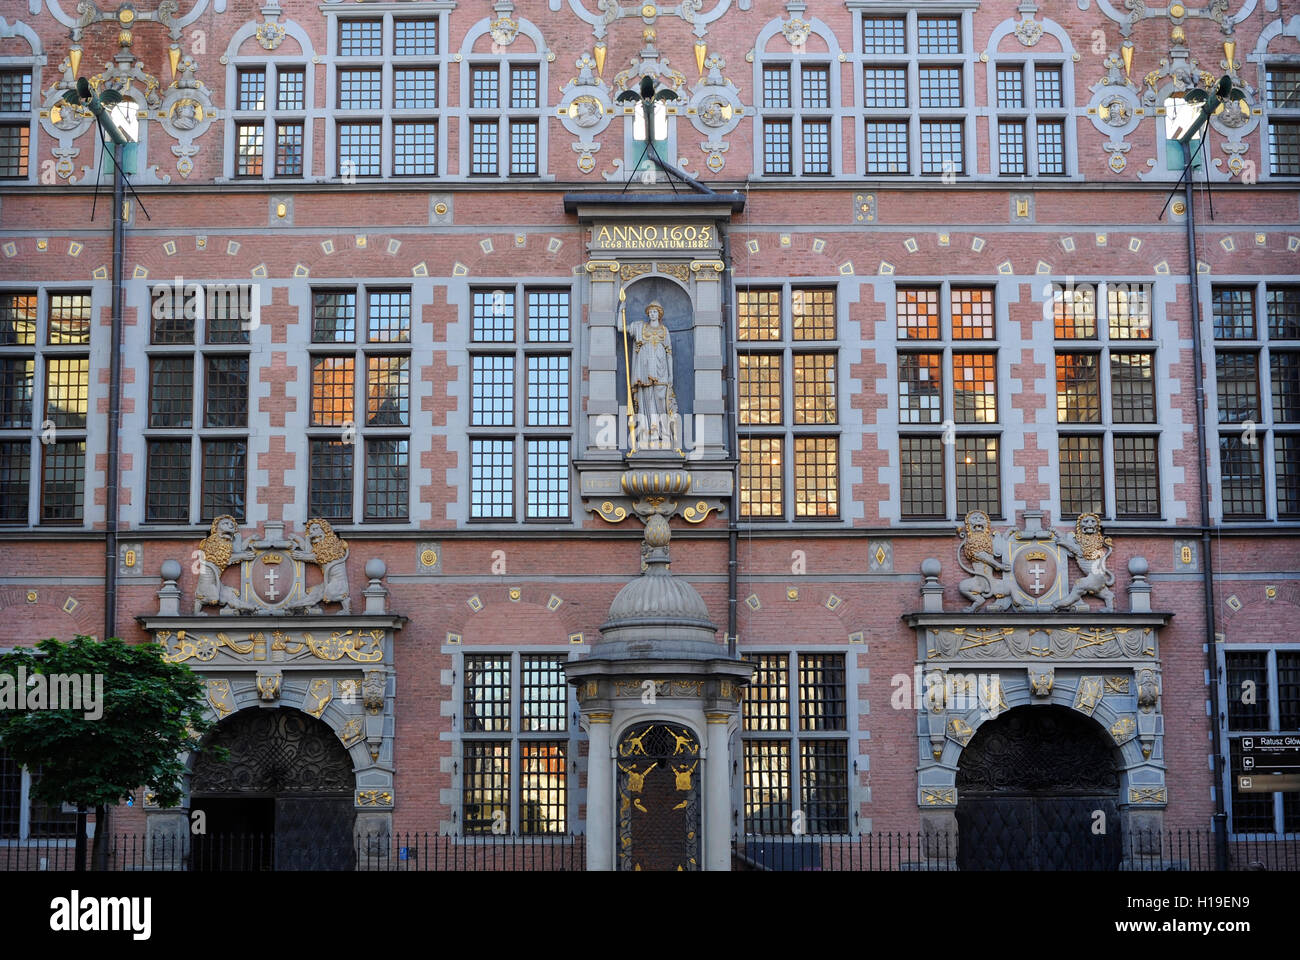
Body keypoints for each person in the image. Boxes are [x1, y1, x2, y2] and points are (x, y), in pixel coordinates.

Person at [620, 300, 680, 447]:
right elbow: (621, 328)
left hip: (662, 370)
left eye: (655, 312)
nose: (652, 314)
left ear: (659, 314)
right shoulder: (640, 327)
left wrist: (671, 375)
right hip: (644, 371)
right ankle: (648, 434)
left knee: (662, 402)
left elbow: (669, 354)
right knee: (647, 402)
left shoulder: (664, 331)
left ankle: (664, 436)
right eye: (651, 312)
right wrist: (621, 310)